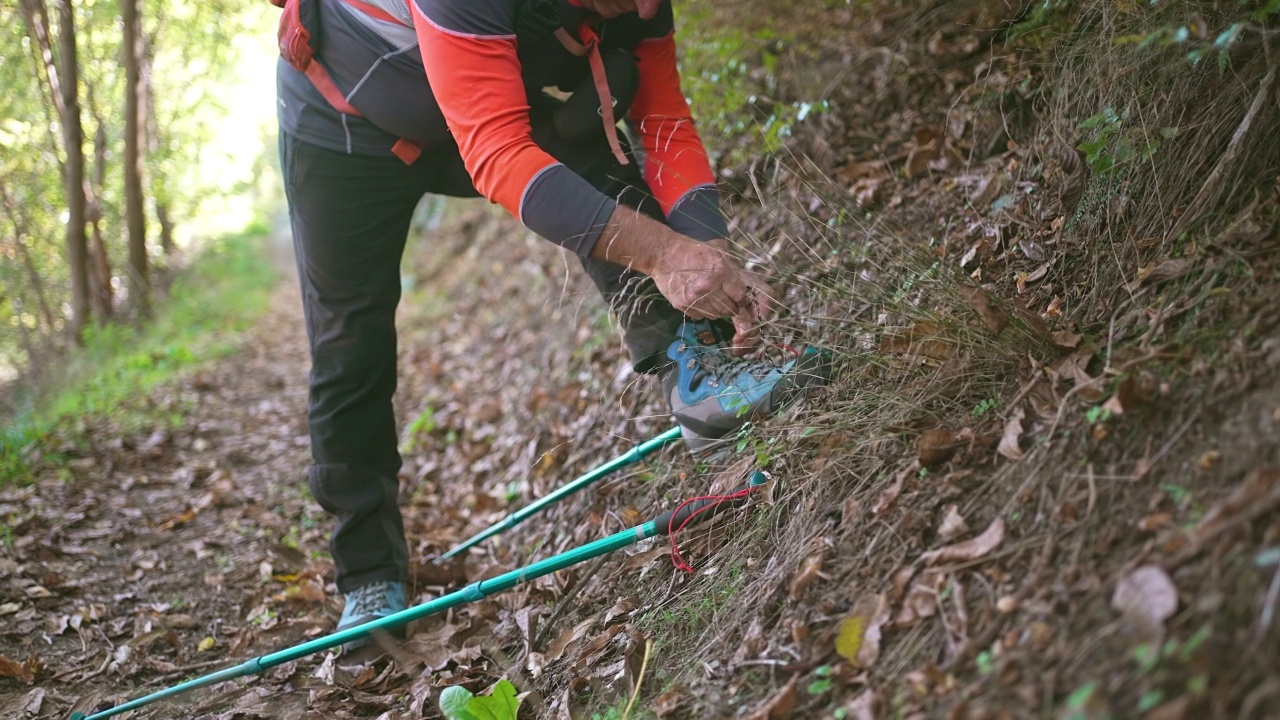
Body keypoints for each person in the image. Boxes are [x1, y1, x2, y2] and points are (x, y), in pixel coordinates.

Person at [276, 0, 829, 644]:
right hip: (343, 128)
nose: (646, 6)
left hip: (476, 101)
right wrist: (666, 254)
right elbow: (497, 153)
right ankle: (369, 574)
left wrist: (709, 255)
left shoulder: (640, 3)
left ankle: (699, 372)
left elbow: (664, 120)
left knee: (597, 113)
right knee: (350, 339)